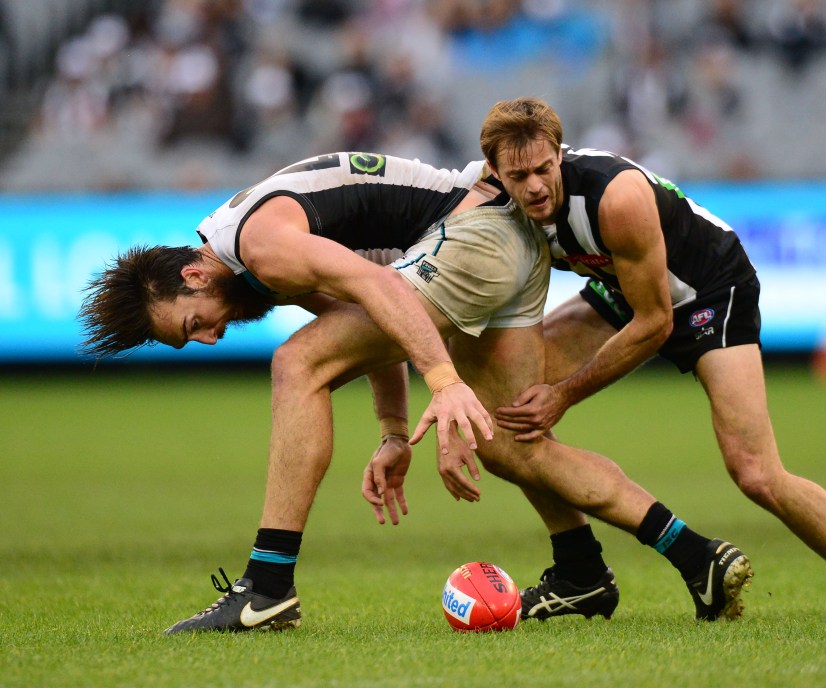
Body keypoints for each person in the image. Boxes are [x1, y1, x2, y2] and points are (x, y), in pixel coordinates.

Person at [80, 150, 752, 633]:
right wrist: (394, 433)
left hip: (475, 238)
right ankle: (668, 559)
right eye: (192, 340)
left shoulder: (262, 249)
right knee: (514, 440)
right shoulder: (253, 259)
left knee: (296, 366)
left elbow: (378, 290)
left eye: (193, 324)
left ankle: (267, 586)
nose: (209, 338)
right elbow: (367, 316)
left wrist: (443, 381)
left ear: (196, 274)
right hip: (500, 239)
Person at [479, 96, 826, 620]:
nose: (535, 187)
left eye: (544, 169)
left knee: (755, 471)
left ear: (559, 153)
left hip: (711, 290)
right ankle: (580, 571)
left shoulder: (614, 197)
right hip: (629, 291)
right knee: (509, 410)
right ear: (493, 171)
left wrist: (565, 395)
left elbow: (655, 323)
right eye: (518, 175)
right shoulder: (489, 202)